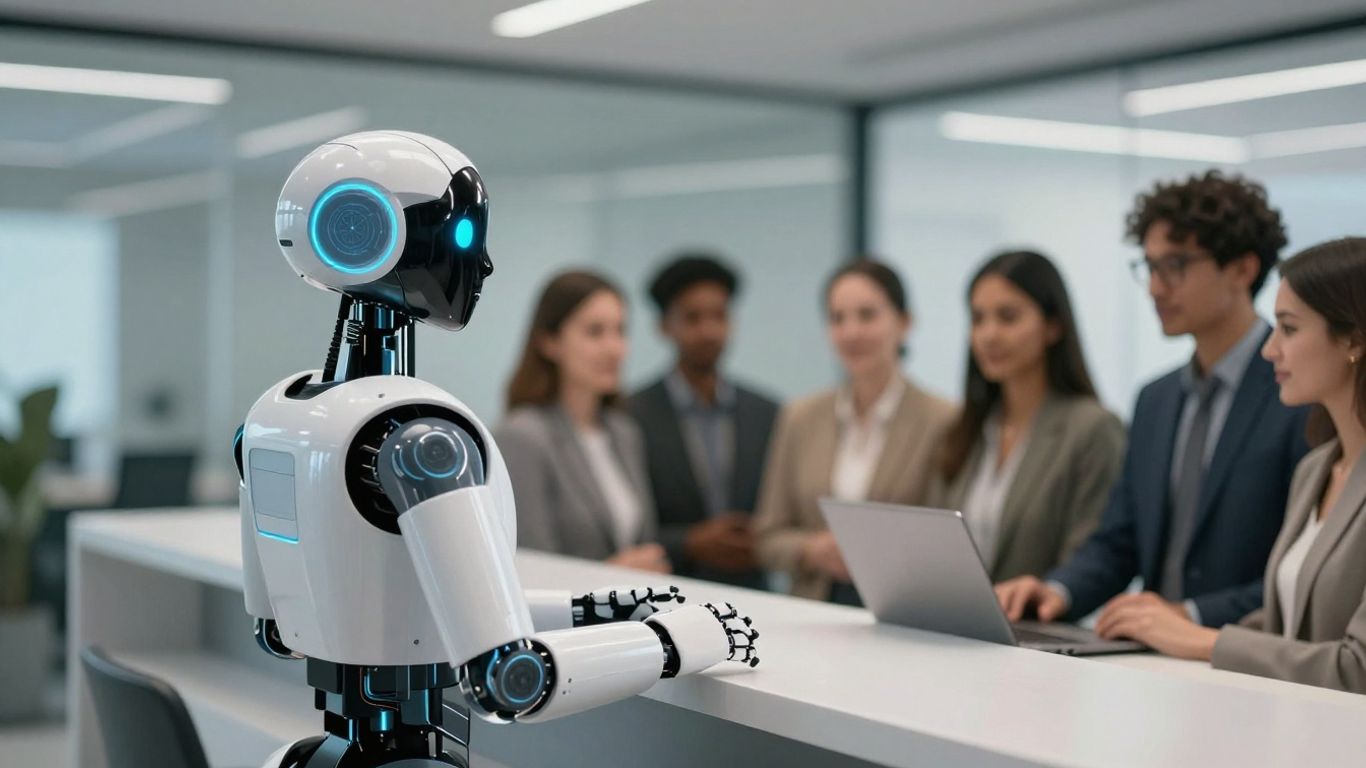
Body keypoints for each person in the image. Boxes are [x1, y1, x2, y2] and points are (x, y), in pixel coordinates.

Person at [996, 170, 1310, 629]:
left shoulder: (1298, 393)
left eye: (1176, 266)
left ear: (1242, 269)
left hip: (1251, 662)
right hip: (1155, 663)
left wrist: (1192, 615)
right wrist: (1057, 589)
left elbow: (1305, 571)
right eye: (1149, 266)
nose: (1155, 288)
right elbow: (1119, 541)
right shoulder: (1156, 400)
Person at [1094, 238, 1366, 693]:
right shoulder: (1317, 469)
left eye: (1289, 329)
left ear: (1354, 339)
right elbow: (1290, 624)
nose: (1269, 350)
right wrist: (1165, 628)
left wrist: (1204, 640)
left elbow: (1356, 667)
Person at [753, 259, 955, 603]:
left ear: (904, 323)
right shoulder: (799, 417)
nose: (851, 332)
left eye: (867, 315)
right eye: (837, 318)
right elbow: (766, 536)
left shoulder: (943, 420)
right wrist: (811, 549)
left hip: (906, 614)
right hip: (815, 609)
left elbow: (949, 544)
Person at [927, 250, 1124, 582]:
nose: (989, 335)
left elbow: (1094, 558)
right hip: (957, 627)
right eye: (978, 319)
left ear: (1053, 327)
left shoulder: (1092, 429)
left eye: (1008, 317)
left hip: (1041, 628)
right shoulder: (967, 429)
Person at [495, 270, 668, 573]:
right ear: (549, 342)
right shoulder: (521, 437)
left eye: (620, 331)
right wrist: (614, 576)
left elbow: (644, 544)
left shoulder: (625, 433)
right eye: (595, 332)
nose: (615, 348)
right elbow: (528, 569)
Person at [628, 253, 780, 589]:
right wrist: (689, 541)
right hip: (669, 596)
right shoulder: (631, 416)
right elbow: (626, 525)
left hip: (755, 593)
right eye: (693, 318)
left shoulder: (767, 413)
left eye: (719, 316)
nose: (709, 330)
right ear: (665, 326)